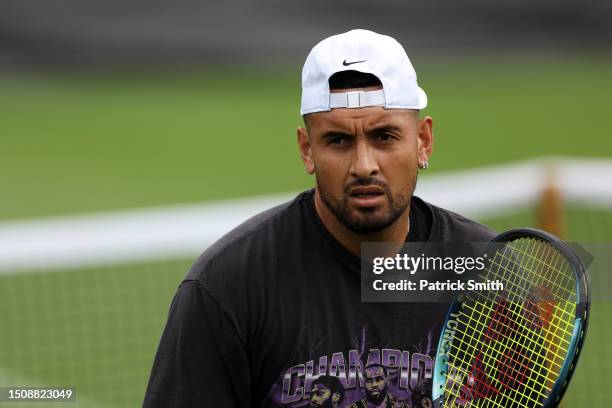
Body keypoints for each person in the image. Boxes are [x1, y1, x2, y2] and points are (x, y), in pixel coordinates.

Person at [143, 29, 495, 407]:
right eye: (338, 141)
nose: (364, 166)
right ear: (306, 150)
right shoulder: (229, 286)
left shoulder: (487, 268)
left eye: (385, 137)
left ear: (423, 141)